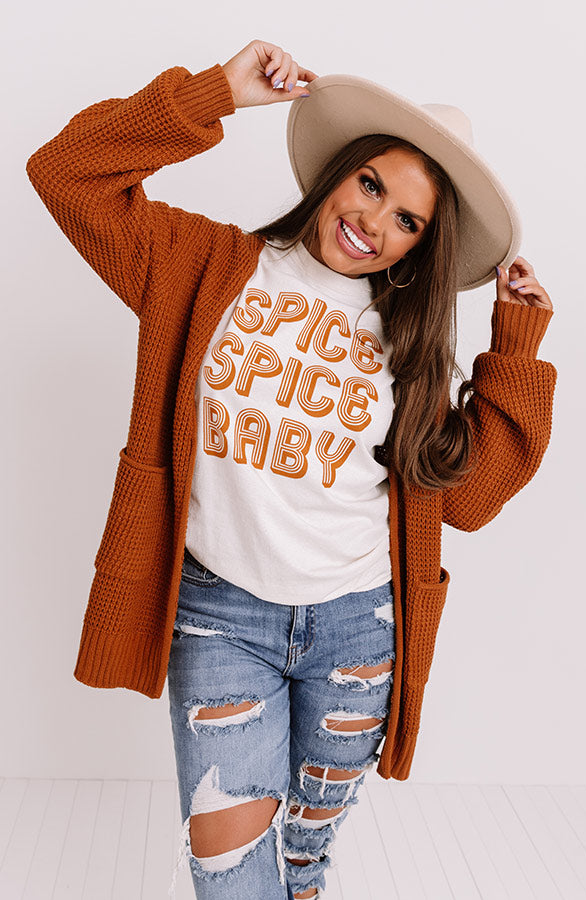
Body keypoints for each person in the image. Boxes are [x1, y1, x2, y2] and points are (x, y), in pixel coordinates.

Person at [26, 39, 557, 900]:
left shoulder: (410, 350)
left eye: (408, 221)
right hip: (220, 618)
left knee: (301, 864)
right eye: (371, 184)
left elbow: (471, 498)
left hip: (359, 631)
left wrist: (516, 347)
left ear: (422, 246)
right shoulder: (200, 268)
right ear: (339, 170)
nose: (374, 222)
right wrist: (215, 94)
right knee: (231, 873)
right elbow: (65, 173)